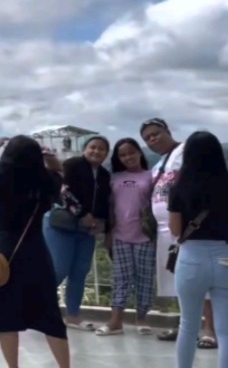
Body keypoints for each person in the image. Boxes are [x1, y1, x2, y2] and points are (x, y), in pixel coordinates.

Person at [0, 136, 70, 368]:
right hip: (35, 251)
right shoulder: (46, 182)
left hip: (2, 251)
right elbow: (60, 172)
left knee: (6, 316)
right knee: (49, 314)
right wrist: (49, 157)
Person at [141, 117, 218, 347]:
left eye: (156, 134)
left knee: (200, 282)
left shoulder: (186, 151)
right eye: (147, 138)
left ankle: (209, 329)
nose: (152, 139)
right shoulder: (158, 164)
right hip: (167, 232)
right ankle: (188, 327)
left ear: (167, 130)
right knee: (180, 282)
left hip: (189, 229)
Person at [167, 131, 228, 368]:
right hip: (225, 257)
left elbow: (175, 230)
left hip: (192, 258)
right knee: (225, 332)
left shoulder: (179, 186)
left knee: (188, 325)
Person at [43, 135, 112, 330]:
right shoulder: (72, 165)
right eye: (93, 147)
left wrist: (103, 225)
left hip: (86, 230)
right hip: (61, 226)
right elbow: (63, 191)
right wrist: (82, 213)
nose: (96, 151)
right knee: (59, 270)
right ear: (85, 149)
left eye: (101, 149)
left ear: (106, 154)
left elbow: (105, 202)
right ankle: (35, 307)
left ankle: (73, 315)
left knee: (80, 272)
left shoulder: (105, 175)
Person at [96, 138, 155, 336]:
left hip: (146, 236)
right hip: (120, 235)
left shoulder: (152, 175)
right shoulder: (114, 178)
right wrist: (108, 233)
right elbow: (110, 207)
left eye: (131, 152)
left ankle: (142, 319)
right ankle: (116, 321)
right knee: (121, 279)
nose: (128, 157)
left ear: (139, 152)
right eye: (122, 154)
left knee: (144, 279)